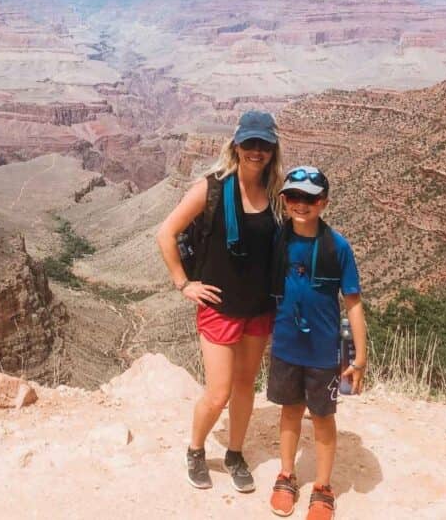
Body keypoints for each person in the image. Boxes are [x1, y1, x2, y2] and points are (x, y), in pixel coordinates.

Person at [155, 110, 285, 493]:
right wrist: (183, 283)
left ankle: (235, 453)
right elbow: (166, 233)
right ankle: (196, 450)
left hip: (259, 308)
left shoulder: (277, 195)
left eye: (263, 144)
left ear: (272, 149)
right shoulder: (211, 188)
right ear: (237, 145)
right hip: (219, 307)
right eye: (250, 143)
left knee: (246, 385)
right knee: (218, 392)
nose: (256, 151)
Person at [265, 166, 367, 520]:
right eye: (293, 197)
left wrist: (359, 357)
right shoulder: (278, 240)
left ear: (323, 202)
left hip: (323, 351)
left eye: (309, 198)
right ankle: (286, 474)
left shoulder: (337, 247)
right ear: (284, 200)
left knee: (323, 417)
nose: (301, 204)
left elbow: (353, 302)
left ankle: (322, 487)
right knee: (290, 410)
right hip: (286, 346)